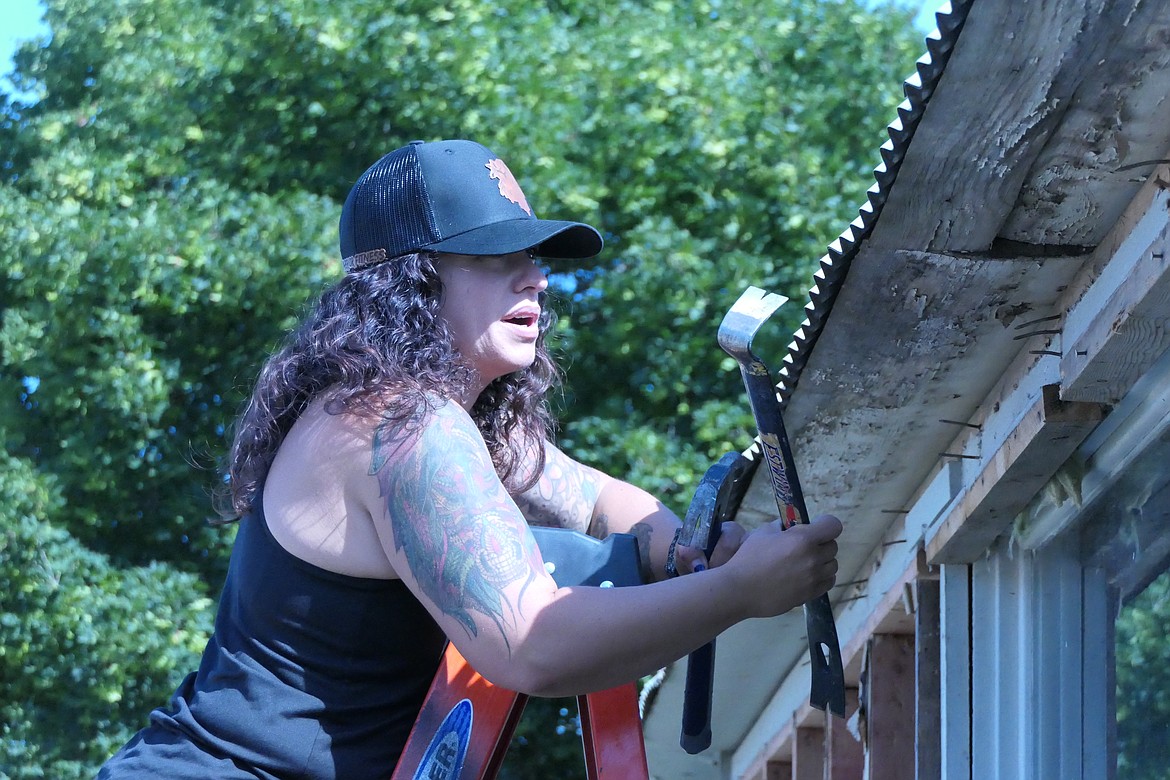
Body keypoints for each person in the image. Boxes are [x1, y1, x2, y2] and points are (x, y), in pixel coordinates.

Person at [97, 139, 842, 779]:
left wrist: (681, 546)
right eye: (497, 256)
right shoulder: (403, 425)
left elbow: (593, 500)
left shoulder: (440, 420)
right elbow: (534, 645)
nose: (538, 279)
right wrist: (741, 590)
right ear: (412, 280)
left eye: (535, 256)